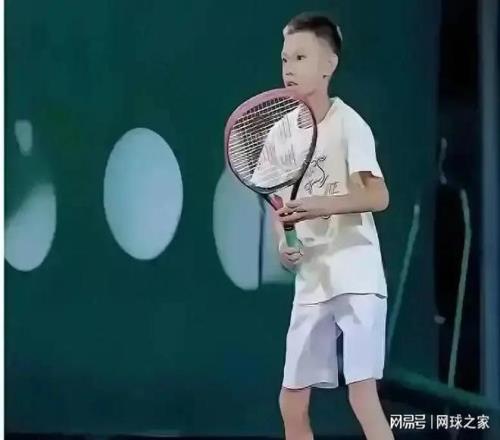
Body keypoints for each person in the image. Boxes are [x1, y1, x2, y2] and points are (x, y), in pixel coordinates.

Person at [272, 12, 394, 440]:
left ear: (329, 65)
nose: (289, 68)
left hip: (356, 275)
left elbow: (378, 196)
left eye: (301, 57)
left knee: (362, 396)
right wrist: (283, 245)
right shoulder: (280, 135)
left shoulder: (350, 124)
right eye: (285, 59)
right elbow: (278, 206)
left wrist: (320, 206)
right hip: (313, 280)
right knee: (291, 403)